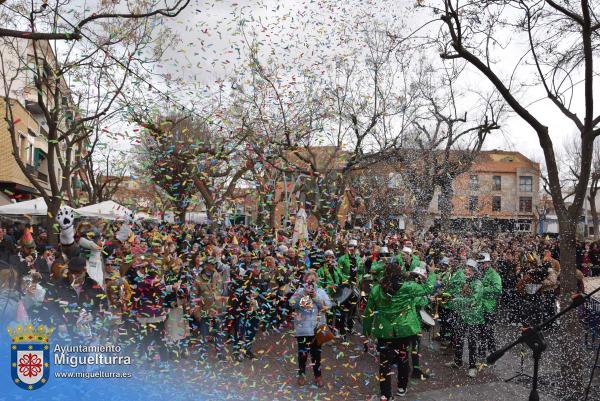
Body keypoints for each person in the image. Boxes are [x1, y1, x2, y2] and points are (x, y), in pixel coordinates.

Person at [362, 262, 436, 400]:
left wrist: (366, 333)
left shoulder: (376, 289)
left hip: (384, 332)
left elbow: (368, 313)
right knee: (403, 359)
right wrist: (431, 273)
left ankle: (385, 395)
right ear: (400, 273)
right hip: (402, 331)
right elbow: (428, 288)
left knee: (384, 364)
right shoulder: (408, 287)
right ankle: (402, 387)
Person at [289, 270, 332, 387]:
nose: (311, 282)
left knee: (316, 354)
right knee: (302, 354)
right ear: (305, 280)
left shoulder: (321, 292)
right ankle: (301, 375)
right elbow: (291, 303)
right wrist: (303, 294)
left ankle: (318, 376)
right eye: (309, 279)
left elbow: (328, 306)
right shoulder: (299, 291)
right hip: (302, 328)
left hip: (316, 328)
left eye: (313, 279)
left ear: (316, 280)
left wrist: (315, 297)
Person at [445, 259, 484, 378]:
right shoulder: (466, 281)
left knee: (472, 342)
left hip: (473, 317)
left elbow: (473, 301)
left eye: (469, 269)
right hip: (463, 315)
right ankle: (457, 361)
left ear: (474, 272)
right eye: (466, 268)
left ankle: (472, 367)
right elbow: (461, 295)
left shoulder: (477, 284)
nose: (466, 270)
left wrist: (458, 301)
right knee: (458, 338)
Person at [479, 252, 502, 360]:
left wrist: (483, 289)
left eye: (483, 263)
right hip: (482, 305)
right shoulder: (482, 273)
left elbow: (498, 289)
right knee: (485, 329)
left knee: (486, 330)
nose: (481, 265)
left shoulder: (494, 274)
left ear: (488, 263)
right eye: (481, 263)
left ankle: (485, 352)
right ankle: (492, 350)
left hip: (489, 306)